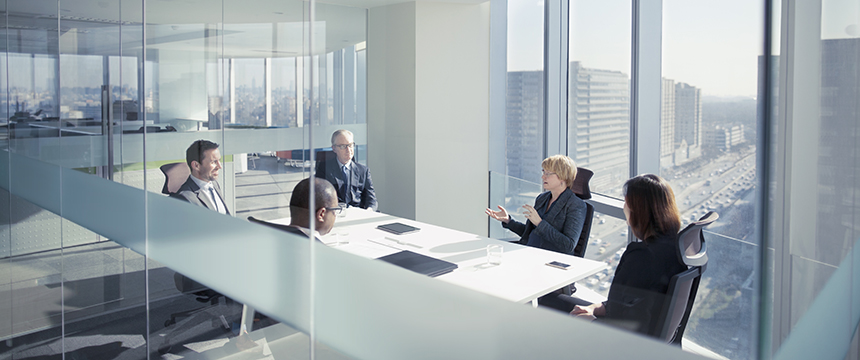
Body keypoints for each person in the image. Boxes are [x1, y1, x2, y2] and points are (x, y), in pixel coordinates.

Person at [569, 174, 687, 337]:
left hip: (618, 344)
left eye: (626, 202)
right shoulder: (676, 248)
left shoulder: (641, 257)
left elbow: (628, 329)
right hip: (650, 346)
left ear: (638, 211)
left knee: (550, 305)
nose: (624, 207)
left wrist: (591, 322)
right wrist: (593, 309)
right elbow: (633, 305)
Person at [485, 154, 586, 256]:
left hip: (550, 259)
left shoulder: (576, 205)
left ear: (562, 177)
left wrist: (540, 223)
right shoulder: (542, 198)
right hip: (529, 251)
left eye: (548, 174)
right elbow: (529, 233)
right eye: (543, 172)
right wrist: (508, 221)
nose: (543, 177)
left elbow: (568, 245)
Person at [315, 129, 378, 211]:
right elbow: (322, 196)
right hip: (335, 214)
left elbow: (371, 199)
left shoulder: (363, 171)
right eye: (342, 146)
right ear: (334, 149)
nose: (348, 150)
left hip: (358, 214)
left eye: (350, 145)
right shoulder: (324, 168)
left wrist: (370, 210)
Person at [173, 140, 229, 215]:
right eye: (213, 162)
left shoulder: (214, 184)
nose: (220, 166)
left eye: (219, 161)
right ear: (196, 165)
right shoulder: (185, 198)